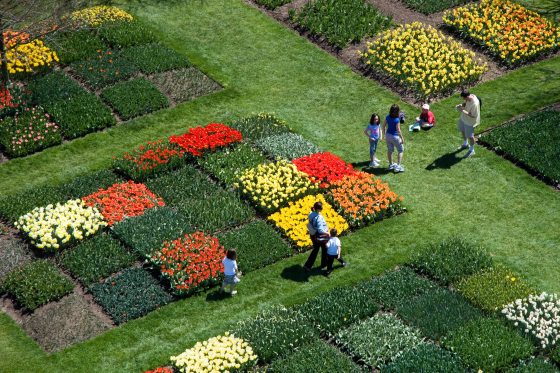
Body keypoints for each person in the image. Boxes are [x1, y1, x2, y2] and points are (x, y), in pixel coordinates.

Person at [303, 201, 329, 272]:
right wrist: (327, 234)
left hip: (313, 235)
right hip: (319, 236)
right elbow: (320, 230)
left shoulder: (311, 214)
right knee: (325, 248)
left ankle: (307, 266)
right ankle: (324, 265)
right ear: (319, 209)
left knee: (316, 249)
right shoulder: (319, 217)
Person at [456, 90, 480, 158]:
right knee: (462, 130)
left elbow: (473, 115)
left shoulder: (475, 104)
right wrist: (461, 105)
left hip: (469, 122)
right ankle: (465, 144)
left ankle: (472, 150)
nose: (463, 99)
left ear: (467, 96)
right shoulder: (469, 97)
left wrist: (462, 110)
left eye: (464, 98)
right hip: (463, 119)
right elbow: (465, 103)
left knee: (470, 136)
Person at [383, 104, 405, 173]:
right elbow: (398, 130)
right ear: (397, 111)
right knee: (400, 150)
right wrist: (402, 138)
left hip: (388, 135)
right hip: (395, 137)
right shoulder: (397, 120)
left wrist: (384, 135)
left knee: (390, 150)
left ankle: (391, 165)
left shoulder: (387, 117)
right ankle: (398, 166)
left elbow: (383, 126)